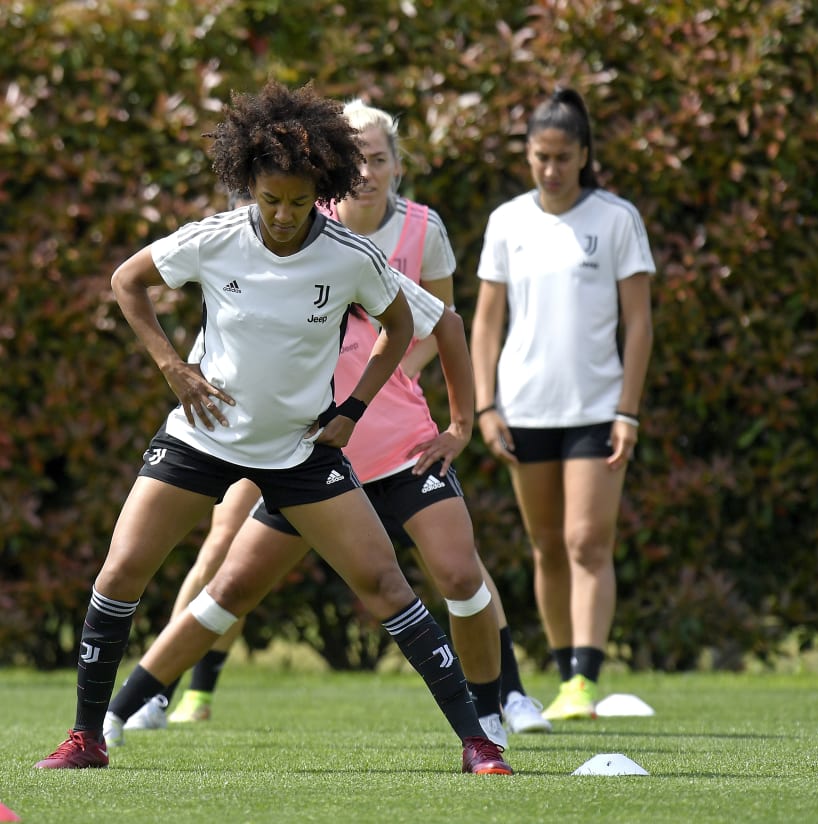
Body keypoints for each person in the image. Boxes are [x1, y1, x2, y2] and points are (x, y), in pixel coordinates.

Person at [35, 80, 511, 776]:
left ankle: (478, 744)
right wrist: (173, 367)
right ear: (247, 187)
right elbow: (126, 282)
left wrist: (351, 412)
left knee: (385, 585)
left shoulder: (349, 255)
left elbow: (403, 325)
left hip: (299, 451)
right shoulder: (214, 240)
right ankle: (85, 739)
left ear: (320, 189)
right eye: (271, 201)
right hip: (201, 436)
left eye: (297, 202)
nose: (284, 217)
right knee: (122, 571)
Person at [469, 87, 654, 721]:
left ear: (584, 155)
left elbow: (639, 324)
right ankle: (563, 669)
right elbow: (486, 324)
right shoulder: (507, 222)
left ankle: (583, 679)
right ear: (528, 155)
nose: (551, 169)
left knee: (585, 541)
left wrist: (628, 411)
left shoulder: (616, 219)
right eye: (541, 156)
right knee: (546, 544)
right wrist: (485, 406)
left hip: (599, 410)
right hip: (524, 411)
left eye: (563, 157)